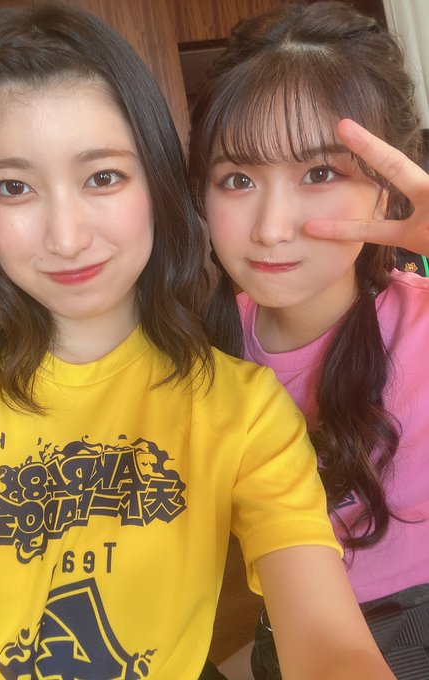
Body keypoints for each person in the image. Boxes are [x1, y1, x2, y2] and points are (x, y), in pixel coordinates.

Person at [0, 3, 396, 679]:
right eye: (14, 187)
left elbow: (327, 644)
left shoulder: (245, 410)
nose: (66, 237)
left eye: (103, 177)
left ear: (159, 182)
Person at [188, 2, 429, 678]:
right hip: (288, 619)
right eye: (238, 180)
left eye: (320, 174)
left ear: (387, 191)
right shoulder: (200, 352)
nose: (271, 228)